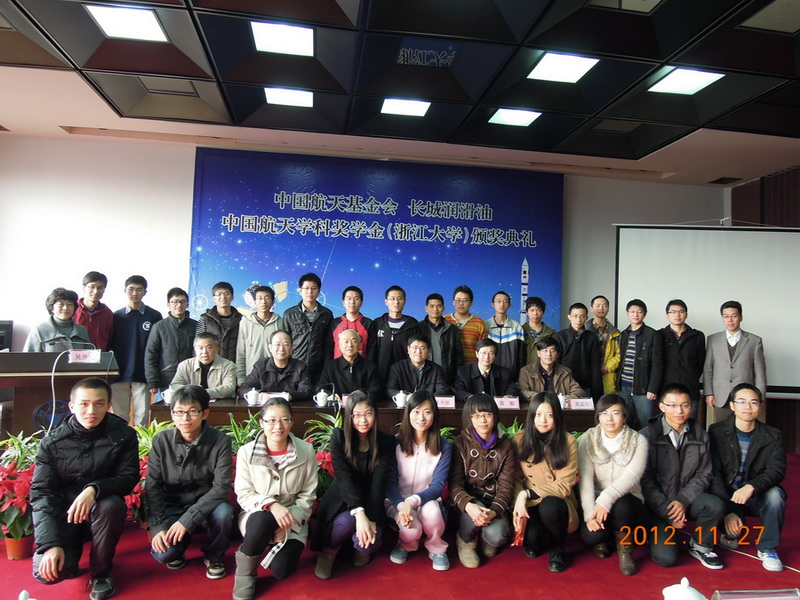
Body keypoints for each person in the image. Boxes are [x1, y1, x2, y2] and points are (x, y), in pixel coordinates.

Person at [30, 378, 138, 600]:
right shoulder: (52, 443)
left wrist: (93, 490)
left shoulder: (123, 435)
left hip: (101, 509)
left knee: (112, 505)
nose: (91, 411)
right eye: (84, 404)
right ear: (71, 406)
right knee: (50, 574)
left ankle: (101, 573)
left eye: (99, 404)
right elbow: (42, 494)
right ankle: (69, 553)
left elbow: (128, 478)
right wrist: (50, 545)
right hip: (66, 513)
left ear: (109, 405)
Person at [233, 398, 317, 600]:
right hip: (256, 515)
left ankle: (269, 543)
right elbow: (244, 493)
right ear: (261, 422)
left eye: (284, 420)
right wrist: (271, 505)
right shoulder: (247, 452)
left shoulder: (306, 451)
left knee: (281, 569)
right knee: (263, 518)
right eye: (271, 420)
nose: (278, 426)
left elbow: (308, 496)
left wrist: (287, 523)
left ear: (291, 422)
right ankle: (245, 573)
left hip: (293, 519)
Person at [146, 385, 234, 580]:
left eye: (192, 411)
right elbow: (153, 486)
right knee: (164, 555)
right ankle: (179, 547)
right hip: (172, 506)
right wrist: (157, 527)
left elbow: (221, 488)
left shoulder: (220, 441)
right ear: (172, 413)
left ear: (205, 413)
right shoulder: (161, 441)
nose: (185, 418)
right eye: (179, 412)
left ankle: (215, 556)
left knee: (224, 513)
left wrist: (187, 521)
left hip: (207, 506)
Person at [640, 383, 726, 570]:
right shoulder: (646, 436)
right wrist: (667, 511)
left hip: (687, 500)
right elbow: (645, 481)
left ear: (692, 407)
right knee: (666, 559)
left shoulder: (701, 435)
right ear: (661, 407)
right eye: (672, 405)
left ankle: (701, 545)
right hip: (658, 506)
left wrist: (682, 500)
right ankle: (653, 534)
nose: (679, 411)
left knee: (714, 505)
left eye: (685, 405)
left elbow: (705, 473)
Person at [311, 391, 395, 579]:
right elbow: (344, 478)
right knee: (347, 521)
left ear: (375, 414)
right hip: (343, 495)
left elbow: (379, 483)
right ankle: (329, 551)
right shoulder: (339, 438)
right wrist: (359, 513)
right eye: (357, 415)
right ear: (349, 416)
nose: (362, 420)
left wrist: (370, 517)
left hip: (372, 499)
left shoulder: (386, 441)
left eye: (368, 414)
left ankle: (361, 550)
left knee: (369, 538)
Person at [709, 383, 786, 572]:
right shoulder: (716, 431)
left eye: (753, 402)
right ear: (732, 405)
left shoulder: (773, 435)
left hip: (754, 495)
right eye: (742, 402)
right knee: (715, 503)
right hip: (727, 495)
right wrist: (728, 511)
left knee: (776, 495)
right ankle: (728, 528)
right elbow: (714, 473)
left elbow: (776, 470)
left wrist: (752, 487)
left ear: (760, 406)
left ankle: (767, 548)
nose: (747, 407)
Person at [578, 394, 648, 575]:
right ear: (598, 416)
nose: (609, 419)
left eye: (615, 413)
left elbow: (632, 476)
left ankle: (625, 548)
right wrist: (589, 514)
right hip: (595, 501)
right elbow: (585, 478)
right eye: (604, 413)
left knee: (621, 504)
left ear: (624, 417)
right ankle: (604, 538)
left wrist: (606, 499)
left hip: (628, 500)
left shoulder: (637, 440)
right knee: (591, 536)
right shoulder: (588, 438)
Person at [386, 390, 453, 571]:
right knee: (411, 530)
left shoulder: (443, 446)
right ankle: (406, 543)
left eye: (427, 412)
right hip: (398, 502)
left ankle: (437, 547)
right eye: (416, 412)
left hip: (427, 500)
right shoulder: (395, 443)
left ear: (434, 415)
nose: (421, 418)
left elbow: (438, 486)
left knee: (433, 513)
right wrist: (402, 506)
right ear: (408, 414)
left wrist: (412, 501)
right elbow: (389, 483)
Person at [512, 392, 579, 573]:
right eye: (538, 414)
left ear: (557, 416)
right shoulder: (520, 439)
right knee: (532, 544)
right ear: (531, 416)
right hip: (529, 502)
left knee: (551, 506)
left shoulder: (568, 441)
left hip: (557, 500)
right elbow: (516, 477)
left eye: (549, 415)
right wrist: (519, 499)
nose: (543, 420)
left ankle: (558, 547)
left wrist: (527, 493)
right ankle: (541, 532)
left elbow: (564, 485)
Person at [449, 393, 516, 568]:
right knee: (472, 517)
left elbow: (507, 485)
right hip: (468, 502)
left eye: (487, 414)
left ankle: (486, 538)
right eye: (476, 415)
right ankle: (465, 541)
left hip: (493, 502)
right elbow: (454, 484)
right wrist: (468, 505)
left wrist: (494, 511)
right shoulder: (460, 443)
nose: (483, 420)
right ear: (469, 418)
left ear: (495, 416)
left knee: (497, 536)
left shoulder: (506, 445)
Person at [110, 275, 162, 426]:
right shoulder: (116, 316)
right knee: (119, 418)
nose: (135, 293)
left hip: (143, 374)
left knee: (142, 418)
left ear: (145, 292)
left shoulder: (154, 316)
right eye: (131, 289)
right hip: (119, 374)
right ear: (124, 291)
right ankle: (121, 441)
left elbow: (158, 347)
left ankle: (140, 442)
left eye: (139, 290)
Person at [704, 300, 767, 425]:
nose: (730, 320)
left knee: (746, 428)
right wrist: (709, 393)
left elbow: (760, 372)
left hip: (746, 398)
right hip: (721, 396)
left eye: (734, 316)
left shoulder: (754, 341)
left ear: (741, 317)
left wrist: (759, 397)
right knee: (721, 430)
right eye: (726, 316)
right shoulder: (713, 339)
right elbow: (708, 369)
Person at [145, 287, 197, 404]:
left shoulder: (196, 325)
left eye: (182, 301)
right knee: (164, 412)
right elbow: (150, 355)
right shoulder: (159, 327)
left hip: (190, 379)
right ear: (168, 304)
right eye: (174, 302)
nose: (179, 305)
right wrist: (152, 381)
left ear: (188, 304)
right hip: (165, 380)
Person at [617, 299, 663, 429]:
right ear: (627, 313)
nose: (635, 315)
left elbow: (658, 364)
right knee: (625, 425)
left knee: (646, 425)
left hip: (643, 389)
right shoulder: (623, 334)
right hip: (624, 388)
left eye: (639, 312)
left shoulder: (652, 334)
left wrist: (653, 388)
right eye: (632, 311)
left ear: (645, 314)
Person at [282, 273, 334, 383]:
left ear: (318, 292)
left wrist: (327, 367)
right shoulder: (289, 314)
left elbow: (329, 344)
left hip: (319, 369)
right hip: (294, 367)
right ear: (300, 291)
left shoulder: (326, 314)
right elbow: (284, 342)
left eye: (313, 288)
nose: (310, 292)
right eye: (306, 288)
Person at [659, 299, 705, 420]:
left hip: (690, 388)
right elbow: (657, 363)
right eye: (673, 312)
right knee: (667, 424)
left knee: (690, 425)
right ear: (667, 315)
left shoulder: (697, 336)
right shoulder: (659, 335)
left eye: (681, 311)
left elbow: (701, 363)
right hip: (667, 389)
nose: (677, 315)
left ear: (686, 314)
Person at [239, 330, 312, 402]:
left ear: (291, 348)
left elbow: (307, 391)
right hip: (265, 407)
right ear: (270, 347)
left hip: (291, 407)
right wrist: (259, 394)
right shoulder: (260, 367)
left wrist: (291, 396)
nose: (281, 349)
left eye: (286, 344)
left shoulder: (300, 367)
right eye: (277, 344)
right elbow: (243, 389)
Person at [370, 285, 420, 386]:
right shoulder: (377, 323)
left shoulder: (413, 324)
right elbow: (372, 351)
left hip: (405, 376)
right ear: (386, 302)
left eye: (399, 298)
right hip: (380, 376)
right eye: (392, 299)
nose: (396, 302)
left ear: (404, 301)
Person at [235, 285, 283, 385]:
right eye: (259, 298)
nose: (263, 302)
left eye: (267, 298)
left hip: (276, 377)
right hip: (251, 376)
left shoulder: (280, 322)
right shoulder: (245, 322)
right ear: (254, 302)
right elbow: (241, 352)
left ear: (272, 302)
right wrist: (240, 378)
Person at [555, 302, 603, 400]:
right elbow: (556, 363)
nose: (579, 320)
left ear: (586, 318)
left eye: (582, 316)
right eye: (575, 316)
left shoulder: (591, 337)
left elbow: (595, 365)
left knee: (585, 410)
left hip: (585, 385)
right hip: (564, 385)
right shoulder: (560, 336)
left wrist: (597, 391)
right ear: (569, 317)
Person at [317, 329, 382, 400]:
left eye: (354, 341)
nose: (350, 345)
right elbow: (320, 388)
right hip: (337, 404)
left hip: (361, 405)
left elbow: (376, 390)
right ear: (340, 345)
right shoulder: (330, 367)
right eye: (346, 342)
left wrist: (360, 396)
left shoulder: (370, 367)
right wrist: (330, 396)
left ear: (359, 344)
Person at [170, 333, 236, 400]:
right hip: (190, 403)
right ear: (195, 349)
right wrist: (192, 391)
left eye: (209, 348)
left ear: (217, 349)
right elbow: (175, 385)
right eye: (200, 348)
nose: (204, 352)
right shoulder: (184, 365)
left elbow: (229, 388)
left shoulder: (228, 365)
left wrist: (203, 393)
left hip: (219, 404)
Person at [23, 287, 91, 352]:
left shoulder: (81, 331)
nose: (65, 308)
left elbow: (90, 357)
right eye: (61, 304)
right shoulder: (40, 330)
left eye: (69, 304)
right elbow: (28, 358)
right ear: (52, 308)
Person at [386, 334, 451, 400]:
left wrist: (426, 399)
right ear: (408, 349)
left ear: (428, 351)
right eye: (415, 347)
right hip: (405, 404)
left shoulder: (437, 369)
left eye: (423, 348)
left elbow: (443, 390)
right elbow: (391, 390)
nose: (418, 351)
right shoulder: (397, 368)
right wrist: (407, 396)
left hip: (428, 404)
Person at [517, 337, 584, 400]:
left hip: (559, 407)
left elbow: (579, 391)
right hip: (536, 407)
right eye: (545, 351)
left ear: (557, 354)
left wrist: (565, 398)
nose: (549, 354)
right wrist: (541, 398)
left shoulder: (565, 372)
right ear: (538, 353)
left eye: (552, 351)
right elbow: (522, 391)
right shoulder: (526, 371)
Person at [453, 338, 519, 402]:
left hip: (496, 407)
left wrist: (508, 396)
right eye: (483, 353)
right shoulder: (463, 372)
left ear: (495, 356)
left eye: (491, 353)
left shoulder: (504, 373)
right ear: (477, 354)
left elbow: (512, 388)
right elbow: (459, 390)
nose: (487, 357)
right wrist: (471, 398)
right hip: (473, 407)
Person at [418, 293, 463, 386]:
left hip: (446, 376)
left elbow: (458, 357)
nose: (435, 309)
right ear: (426, 308)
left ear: (443, 308)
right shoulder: (418, 328)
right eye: (432, 306)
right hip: (424, 376)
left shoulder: (452, 329)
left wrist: (458, 379)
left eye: (439, 306)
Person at [196, 281, 243, 363]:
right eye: (219, 294)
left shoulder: (241, 319)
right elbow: (197, 344)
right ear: (214, 298)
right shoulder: (205, 318)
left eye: (226, 293)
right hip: (211, 364)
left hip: (233, 364)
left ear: (232, 297)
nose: (223, 297)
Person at [326, 285, 376, 359]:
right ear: (343, 302)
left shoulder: (368, 324)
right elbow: (328, 349)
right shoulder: (334, 323)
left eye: (356, 299)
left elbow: (372, 350)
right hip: (337, 365)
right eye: (349, 299)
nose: (352, 302)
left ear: (361, 303)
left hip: (361, 365)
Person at [485, 291, 525, 379]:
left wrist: (520, 377)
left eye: (505, 301)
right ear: (493, 304)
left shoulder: (516, 327)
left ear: (509, 305)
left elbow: (521, 356)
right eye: (498, 301)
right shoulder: (485, 326)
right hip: (489, 376)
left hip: (511, 376)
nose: (502, 304)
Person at [585, 295, 620, 394]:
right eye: (598, 305)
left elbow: (620, 354)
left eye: (604, 306)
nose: (601, 308)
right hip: (588, 374)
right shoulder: (584, 330)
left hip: (608, 374)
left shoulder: (615, 332)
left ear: (608, 308)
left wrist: (607, 367)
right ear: (591, 308)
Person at [445, 285, 487, 365]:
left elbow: (484, 350)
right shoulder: (444, 320)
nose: (461, 303)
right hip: (448, 367)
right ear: (453, 302)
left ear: (471, 303)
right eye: (458, 300)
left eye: (465, 300)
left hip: (471, 368)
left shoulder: (479, 323)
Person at [73, 271, 114, 351]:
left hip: (99, 357)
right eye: (92, 287)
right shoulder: (73, 309)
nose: (96, 291)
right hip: (76, 356)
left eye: (100, 287)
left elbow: (110, 339)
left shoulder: (108, 314)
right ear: (84, 288)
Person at [522, 296, 556, 365]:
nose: (535, 313)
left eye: (539, 310)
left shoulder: (551, 334)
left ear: (543, 312)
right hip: (523, 370)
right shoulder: (520, 331)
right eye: (532, 310)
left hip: (543, 370)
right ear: (526, 312)